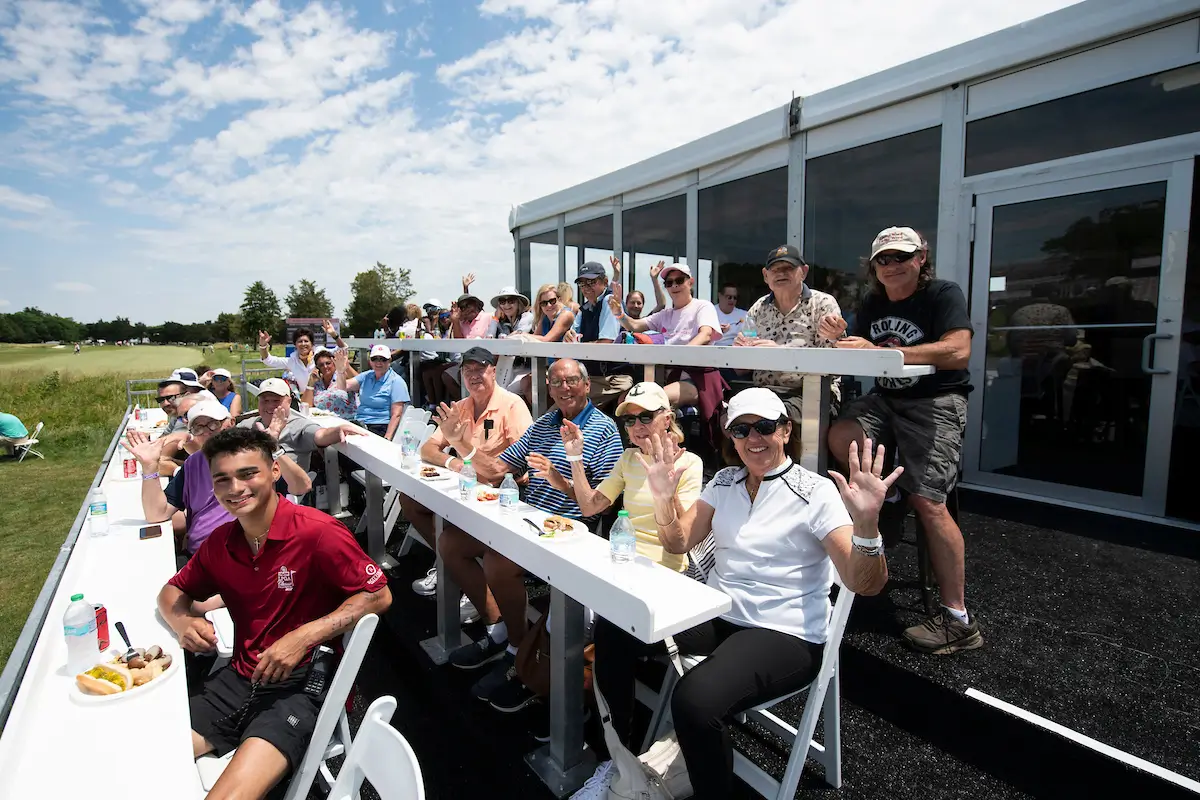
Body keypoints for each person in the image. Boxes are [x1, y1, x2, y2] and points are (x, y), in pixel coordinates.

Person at [591, 388, 895, 800]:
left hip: (785, 632)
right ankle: (621, 760)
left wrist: (867, 526)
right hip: (720, 615)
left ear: (786, 431)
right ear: (730, 437)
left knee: (695, 702)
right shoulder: (725, 481)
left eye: (765, 427)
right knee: (615, 625)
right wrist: (664, 499)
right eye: (741, 429)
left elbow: (866, 583)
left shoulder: (815, 491)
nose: (754, 438)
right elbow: (679, 542)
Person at [159, 427, 392, 800]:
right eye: (223, 479)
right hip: (240, 679)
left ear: (273, 472)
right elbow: (172, 592)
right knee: (146, 760)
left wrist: (304, 636)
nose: (235, 488)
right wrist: (183, 621)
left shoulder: (318, 532)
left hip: (303, 687)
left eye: (248, 473)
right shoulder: (223, 542)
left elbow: (378, 595)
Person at [821, 226, 979, 655]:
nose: (891, 266)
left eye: (900, 257)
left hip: (935, 401)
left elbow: (958, 351)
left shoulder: (943, 294)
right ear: (873, 267)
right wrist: (839, 336)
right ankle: (887, 503)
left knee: (929, 502)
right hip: (887, 400)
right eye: (883, 260)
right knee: (839, 435)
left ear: (920, 258)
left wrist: (883, 353)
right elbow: (857, 345)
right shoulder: (872, 302)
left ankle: (958, 619)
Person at [438, 359, 622, 710]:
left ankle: (516, 650)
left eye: (571, 381)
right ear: (548, 389)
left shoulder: (604, 429)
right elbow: (496, 471)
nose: (563, 388)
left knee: (497, 562)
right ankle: (504, 628)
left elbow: (600, 505)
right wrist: (462, 445)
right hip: (526, 520)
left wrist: (560, 479)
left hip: (568, 531)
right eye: (555, 382)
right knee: (451, 542)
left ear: (586, 385)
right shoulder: (544, 424)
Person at [402, 347, 532, 608]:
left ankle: (476, 590)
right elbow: (428, 448)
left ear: (493, 372)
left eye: (480, 369)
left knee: (450, 535)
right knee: (410, 501)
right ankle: (451, 567)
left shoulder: (512, 406)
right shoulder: (460, 407)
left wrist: (464, 451)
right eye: (468, 370)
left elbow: (523, 466)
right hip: (467, 489)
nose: (474, 376)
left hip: (500, 495)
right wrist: (455, 463)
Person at [532, 382, 702, 572]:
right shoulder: (629, 457)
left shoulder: (689, 463)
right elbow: (590, 506)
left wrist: (667, 493)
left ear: (667, 420)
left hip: (664, 569)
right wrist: (575, 457)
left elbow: (680, 541)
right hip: (623, 558)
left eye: (646, 417)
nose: (637, 426)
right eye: (629, 420)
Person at [126, 400, 308, 559]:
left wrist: (273, 447)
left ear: (230, 423)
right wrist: (149, 468)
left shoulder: (254, 457)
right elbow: (157, 514)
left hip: (247, 556)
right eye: (199, 427)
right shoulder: (193, 463)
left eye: (213, 424)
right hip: (200, 555)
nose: (207, 432)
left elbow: (301, 486)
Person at [735, 244, 845, 455]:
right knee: (730, 415)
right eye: (776, 269)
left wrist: (779, 353)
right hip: (764, 391)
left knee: (764, 419)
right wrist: (741, 351)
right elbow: (741, 369)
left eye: (788, 268)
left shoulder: (822, 303)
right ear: (766, 276)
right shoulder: (758, 308)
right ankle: (750, 480)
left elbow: (832, 365)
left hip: (811, 392)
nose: (781, 273)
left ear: (803, 272)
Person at [239, 377, 363, 473]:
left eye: (276, 401)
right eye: (265, 401)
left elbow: (320, 435)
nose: (270, 406)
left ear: (288, 401)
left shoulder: (298, 425)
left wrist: (337, 431)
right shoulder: (247, 425)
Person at [562, 259, 635, 410]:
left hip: (613, 379)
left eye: (591, 282)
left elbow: (606, 343)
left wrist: (576, 345)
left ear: (605, 282)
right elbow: (571, 341)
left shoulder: (609, 301)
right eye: (582, 283)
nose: (586, 287)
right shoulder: (585, 308)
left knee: (565, 409)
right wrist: (568, 336)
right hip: (594, 378)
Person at [336, 345, 410, 439]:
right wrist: (340, 371)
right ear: (370, 361)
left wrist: (387, 437)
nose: (378, 362)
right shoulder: (367, 376)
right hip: (360, 422)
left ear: (389, 361)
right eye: (375, 359)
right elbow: (342, 387)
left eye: (383, 359)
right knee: (337, 436)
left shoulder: (396, 381)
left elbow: (396, 414)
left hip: (379, 425)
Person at [259, 324, 340, 390]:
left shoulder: (320, 352)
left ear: (312, 344)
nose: (303, 344)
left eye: (306, 341)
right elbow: (268, 360)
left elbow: (342, 350)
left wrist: (334, 334)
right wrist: (263, 346)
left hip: (326, 397)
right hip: (306, 400)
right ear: (295, 344)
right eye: (300, 341)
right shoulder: (292, 361)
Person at [302, 348, 358, 420]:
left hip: (346, 420)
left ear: (334, 363)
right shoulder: (317, 384)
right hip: (323, 421)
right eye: (321, 365)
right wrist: (310, 384)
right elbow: (305, 406)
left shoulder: (343, 377)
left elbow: (360, 382)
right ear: (318, 368)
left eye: (328, 363)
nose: (325, 367)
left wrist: (346, 366)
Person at [714, 281, 747, 346]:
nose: (732, 300)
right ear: (720, 296)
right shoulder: (710, 312)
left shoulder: (744, 315)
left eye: (735, 298)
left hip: (736, 349)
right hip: (715, 349)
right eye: (729, 297)